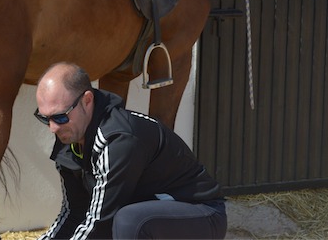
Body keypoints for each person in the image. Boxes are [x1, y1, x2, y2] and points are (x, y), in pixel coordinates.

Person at [34, 62, 227, 239]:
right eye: (45, 118)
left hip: (201, 215)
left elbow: (99, 223)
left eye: (60, 117)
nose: (53, 128)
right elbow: (74, 213)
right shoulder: (69, 134)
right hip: (150, 215)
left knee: (128, 221)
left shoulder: (118, 139)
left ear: (87, 100)